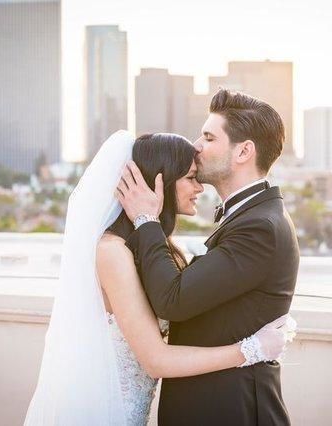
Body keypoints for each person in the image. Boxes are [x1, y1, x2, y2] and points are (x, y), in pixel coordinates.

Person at [23, 131, 293, 426]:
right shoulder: (111, 252)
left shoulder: (157, 248)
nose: (199, 187)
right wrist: (252, 349)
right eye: (191, 177)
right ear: (158, 182)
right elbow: (155, 360)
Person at [117, 89, 301, 425]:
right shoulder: (250, 217)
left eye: (208, 137)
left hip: (234, 412)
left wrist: (146, 220)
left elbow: (173, 300)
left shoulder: (259, 227)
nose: (196, 146)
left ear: (244, 151)